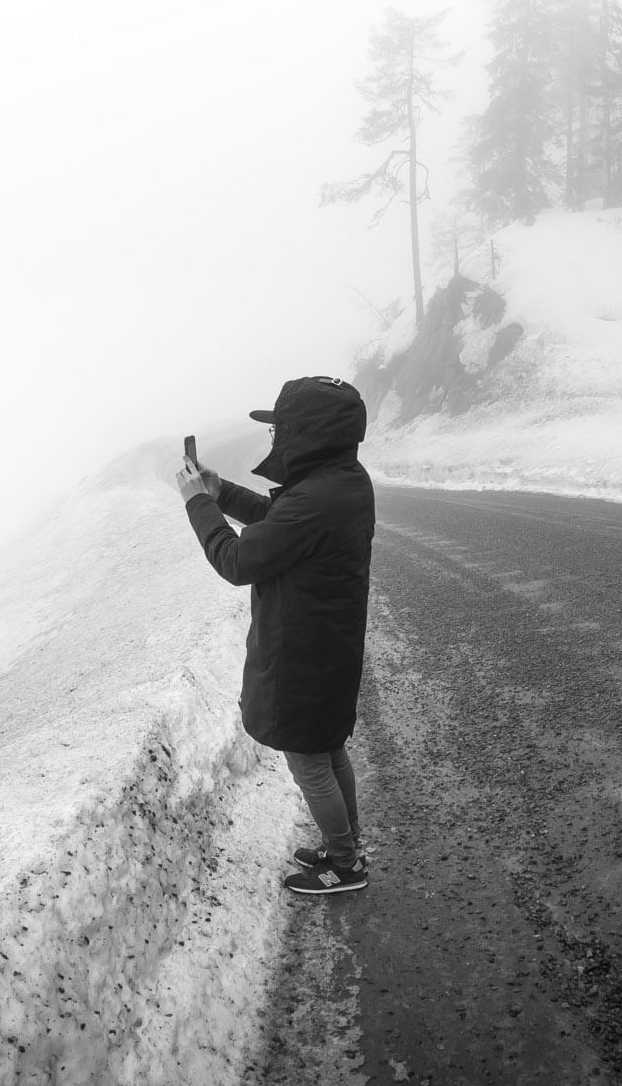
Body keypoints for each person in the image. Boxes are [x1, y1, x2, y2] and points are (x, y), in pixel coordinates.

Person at [175, 375, 376, 896]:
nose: (275, 440)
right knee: (329, 751)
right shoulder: (342, 482)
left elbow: (239, 560)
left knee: (310, 763)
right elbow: (278, 521)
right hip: (329, 647)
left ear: (307, 433)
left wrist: (198, 504)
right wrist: (221, 493)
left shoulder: (316, 498)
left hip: (304, 655)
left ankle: (345, 865)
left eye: (281, 429)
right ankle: (345, 844)